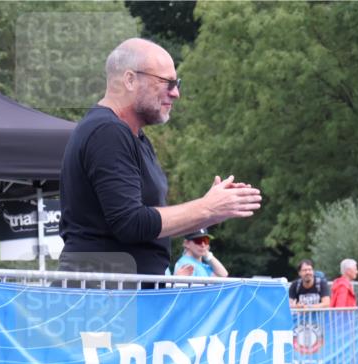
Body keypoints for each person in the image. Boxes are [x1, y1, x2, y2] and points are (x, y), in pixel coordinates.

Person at [59, 38, 261, 278]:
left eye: (177, 83)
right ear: (130, 80)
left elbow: (148, 223)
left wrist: (213, 210)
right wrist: (206, 208)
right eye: (167, 83)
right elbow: (130, 223)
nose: (175, 93)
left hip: (127, 295)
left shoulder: (132, 136)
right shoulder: (107, 132)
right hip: (107, 299)